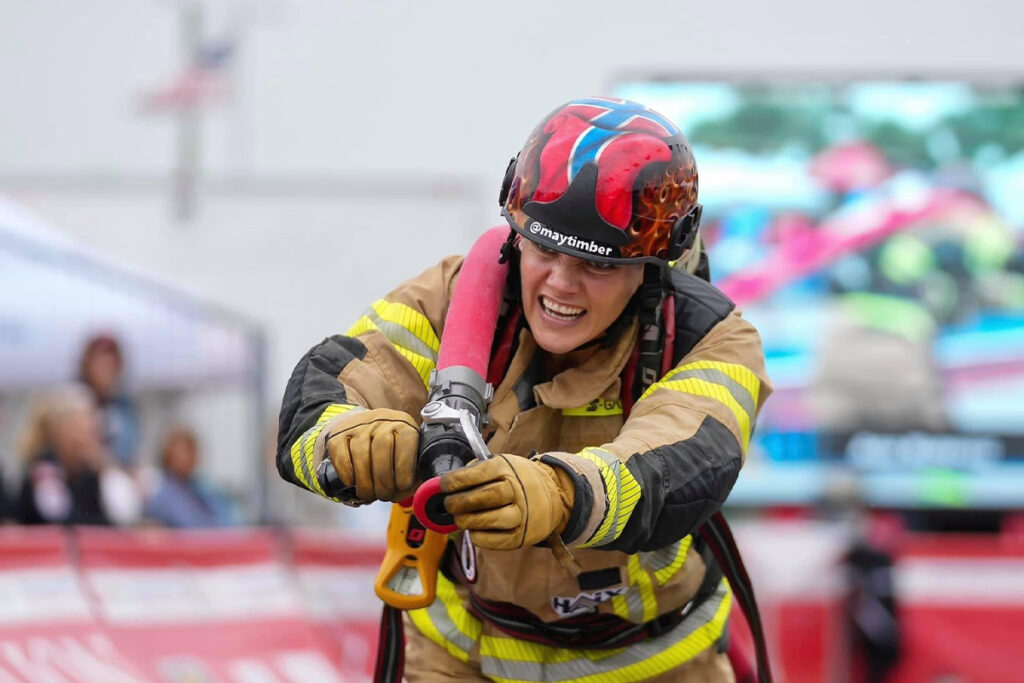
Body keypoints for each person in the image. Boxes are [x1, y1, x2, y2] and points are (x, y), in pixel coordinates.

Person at [276, 97, 772, 682]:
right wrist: (347, 438)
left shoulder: (710, 339)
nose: (560, 284)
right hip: (462, 659)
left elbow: (684, 465)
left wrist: (562, 493)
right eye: (545, 248)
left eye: (600, 266)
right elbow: (329, 387)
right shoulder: (452, 299)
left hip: (651, 665)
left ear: (653, 265)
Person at [15, 383, 142, 526]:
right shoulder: (45, 470)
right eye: (89, 431)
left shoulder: (87, 475)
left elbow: (99, 515)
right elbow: (60, 520)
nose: (96, 438)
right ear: (66, 431)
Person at [145, 426, 234, 528]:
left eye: (191, 451)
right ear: (168, 455)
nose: (186, 458)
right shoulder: (163, 497)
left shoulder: (204, 488)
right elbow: (192, 527)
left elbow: (227, 519)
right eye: (181, 452)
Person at [78, 334, 141, 469]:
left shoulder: (125, 406)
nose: (106, 371)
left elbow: (129, 451)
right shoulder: (75, 403)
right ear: (87, 365)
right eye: (101, 365)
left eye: (110, 365)